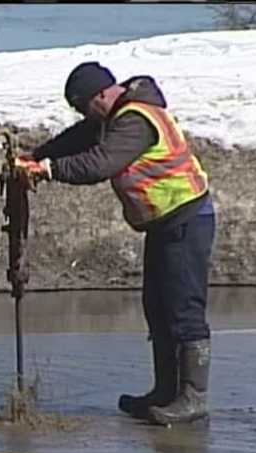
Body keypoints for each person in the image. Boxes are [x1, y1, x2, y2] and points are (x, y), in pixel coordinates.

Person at [15, 62, 216, 425]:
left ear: (102, 95)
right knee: (157, 306)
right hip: (165, 222)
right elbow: (79, 137)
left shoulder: (135, 119)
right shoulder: (115, 115)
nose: (83, 115)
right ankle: (165, 392)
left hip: (186, 219)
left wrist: (48, 171)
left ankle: (192, 397)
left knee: (183, 308)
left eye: (83, 107)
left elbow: (100, 163)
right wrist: (38, 155)